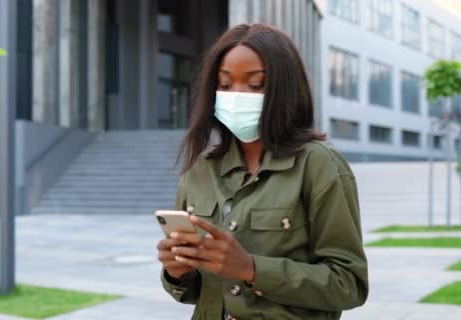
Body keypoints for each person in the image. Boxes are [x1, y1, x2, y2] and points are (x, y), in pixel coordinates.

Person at [156, 23, 368, 320]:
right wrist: (177, 272)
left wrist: (251, 269)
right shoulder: (200, 170)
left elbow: (349, 285)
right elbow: (194, 291)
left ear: (285, 89)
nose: (237, 95)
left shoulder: (319, 165)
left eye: (255, 84)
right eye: (225, 85)